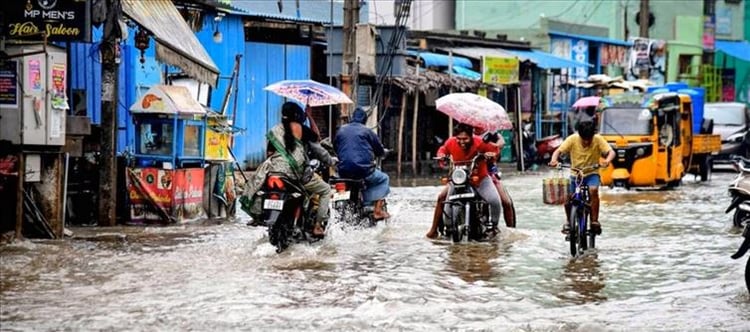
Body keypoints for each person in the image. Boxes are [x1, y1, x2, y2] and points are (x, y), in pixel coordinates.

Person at [243, 102, 332, 237]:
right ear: (298, 114)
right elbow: (318, 145)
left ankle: (257, 216)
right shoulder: (302, 129)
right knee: (326, 190)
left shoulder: (275, 130)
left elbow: (269, 154)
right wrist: (330, 161)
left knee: (259, 188)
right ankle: (318, 225)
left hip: (272, 173)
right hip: (296, 175)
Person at [425, 123, 503, 239]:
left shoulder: (480, 142)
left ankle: (493, 227)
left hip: (479, 178)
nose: (462, 142)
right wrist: (441, 156)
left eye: (465, 139)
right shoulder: (450, 142)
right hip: (458, 179)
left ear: (471, 136)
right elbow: (443, 149)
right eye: (459, 139)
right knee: (442, 198)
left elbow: (494, 150)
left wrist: (491, 155)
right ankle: (438, 229)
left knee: (494, 200)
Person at [548, 121, 615, 235]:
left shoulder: (598, 139)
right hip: (575, 174)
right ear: (580, 135)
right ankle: (569, 221)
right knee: (567, 196)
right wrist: (554, 160)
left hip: (592, 173)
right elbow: (558, 151)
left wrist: (607, 160)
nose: (586, 142)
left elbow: (611, 152)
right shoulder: (572, 139)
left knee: (593, 190)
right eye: (584, 139)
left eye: (589, 139)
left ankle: (594, 221)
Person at [333, 107, 391, 220]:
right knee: (384, 178)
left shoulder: (341, 130)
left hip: (343, 172)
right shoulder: (367, 131)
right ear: (364, 120)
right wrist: (383, 152)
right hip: (363, 171)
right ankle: (378, 211)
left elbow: (336, 147)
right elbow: (379, 150)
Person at [476, 128, 516, 228]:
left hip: (490, 172)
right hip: (471, 172)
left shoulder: (491, 134)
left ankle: (511, 229)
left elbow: (501, 142)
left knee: (506, 202)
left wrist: (491, 146)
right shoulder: (466, 135)